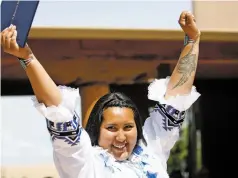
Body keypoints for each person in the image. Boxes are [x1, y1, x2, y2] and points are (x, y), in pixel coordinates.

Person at [1, 11, 201, 178]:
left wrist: (192, 41)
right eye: (111, 128)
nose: (121, 136)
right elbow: (59, 111)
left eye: (128, 127)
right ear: (97, 129)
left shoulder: (152, 149)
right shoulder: (84, 163)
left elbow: (176, 99)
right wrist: (28, 59)